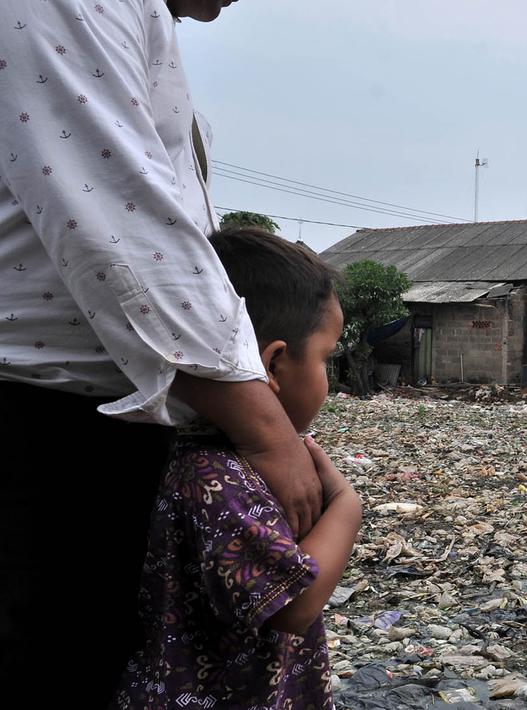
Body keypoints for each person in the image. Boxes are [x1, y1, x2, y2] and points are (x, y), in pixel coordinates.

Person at [0, 1, 323, 703]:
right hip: (48, 422)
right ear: (273, 358)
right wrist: (269, 433)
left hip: (102, 417)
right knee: (55, 655)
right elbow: (116, 220)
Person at [112, 227, 362, 709]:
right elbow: (293, 605)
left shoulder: (224, 457)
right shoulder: (217, 474)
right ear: (274, 363)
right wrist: (347, 507)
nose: (328, 378)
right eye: (327, 358)